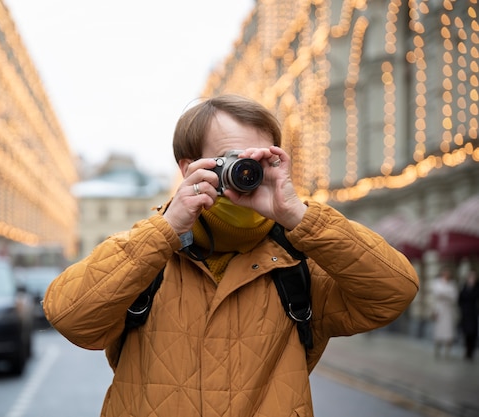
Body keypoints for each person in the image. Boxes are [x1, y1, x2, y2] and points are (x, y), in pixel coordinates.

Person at [43, 94, 419, 416]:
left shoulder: (297, 261)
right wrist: (165, 230)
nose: (245, 172)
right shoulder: (145, 256)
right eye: (230, 160)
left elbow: (395, 290)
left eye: (258, 161)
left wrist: (299, 216)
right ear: (189, 168)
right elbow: (72, 318)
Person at [431, 268, 458, 359]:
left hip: (448, 311)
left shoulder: (452, 284)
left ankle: (447, 352)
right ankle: (437, 350)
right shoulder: (437, 283)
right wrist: (447, 294)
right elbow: (437, 293)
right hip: (440, 310)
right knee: (438, 332)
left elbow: (454, 297)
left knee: (449, 332)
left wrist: (444, 294)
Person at [458, 269, 479, 361]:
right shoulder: (464, 287)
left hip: (473, 313)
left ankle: (471, 352)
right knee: (466, 333)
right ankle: (467, 350)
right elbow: (460, 299)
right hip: (466, 314)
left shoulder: (476, 288)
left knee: (473, 333)